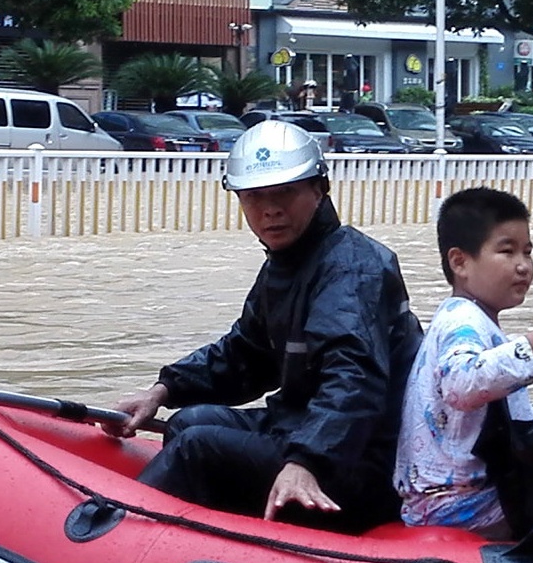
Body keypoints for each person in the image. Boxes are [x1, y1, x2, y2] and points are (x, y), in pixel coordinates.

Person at [102, 120, 423, 531]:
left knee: (198, 447)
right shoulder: (287, 264)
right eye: (254, 197)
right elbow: (243, 354)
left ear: (319, 190)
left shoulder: (353, 268)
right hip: (307, 429)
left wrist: (306, 461)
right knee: (188, 422)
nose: (270, 209)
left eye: (284, 192)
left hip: (362, 462)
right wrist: (163, 390)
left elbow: (354, 381)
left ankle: (117, 533)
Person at [393, 187, 533, 538]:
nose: (523, 266)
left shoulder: (475, 320)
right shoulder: (462, 322)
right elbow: (463, 383)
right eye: (507, 251)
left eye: (527, 252)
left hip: (461, 497)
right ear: (460, 262)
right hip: (453, 505)